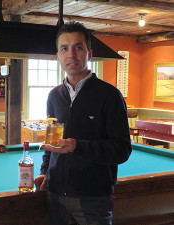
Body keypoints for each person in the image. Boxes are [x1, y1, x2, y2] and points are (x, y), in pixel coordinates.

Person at [34, 22, 132, 225]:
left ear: (89, 54)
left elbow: (122, 150)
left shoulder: (110, 95)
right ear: (58, 56)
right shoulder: (53, 96)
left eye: (78, 47)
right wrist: (44, 171)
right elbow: (51, 143)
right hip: (55, 196)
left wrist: (77, 146)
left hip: (93, 199)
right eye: (64, 48)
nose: (71, 54)